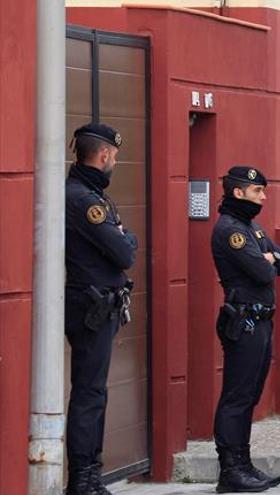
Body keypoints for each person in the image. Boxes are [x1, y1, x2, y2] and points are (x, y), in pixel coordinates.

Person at [65, 123, 138, 495]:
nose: (115, 163)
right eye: (115, 157)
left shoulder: (89, 195)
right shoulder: (85, 200)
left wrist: (123, 239)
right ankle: (83, 479)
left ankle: (91, 474)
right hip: (90, 306)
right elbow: (124, 251)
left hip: (98, 305)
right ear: (105, 154)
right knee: (90, 393)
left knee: (95, 392)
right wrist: (127, 238)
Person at [212, 166, 280, 493]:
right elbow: (262, 271)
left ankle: (243, 463)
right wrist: (268, 259)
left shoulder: (252, 229)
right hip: (243, 321)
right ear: (238, 193)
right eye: (257, 191)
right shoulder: (231, 230)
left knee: (250, 395)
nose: (263, 197)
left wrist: (272, 257)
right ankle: (230, 469)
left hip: (260, 321)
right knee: (237, 396)